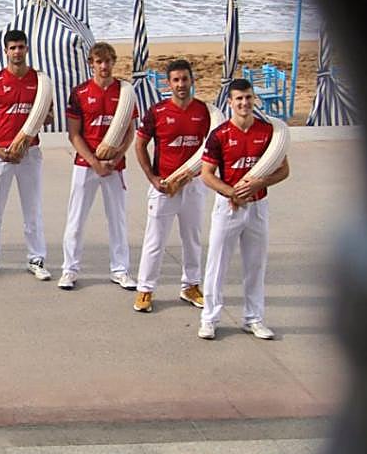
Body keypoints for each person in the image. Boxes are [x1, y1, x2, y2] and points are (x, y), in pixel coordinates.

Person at [197, 79, 290, 340]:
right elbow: (206, 174)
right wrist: (231, 192)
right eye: (239, 99)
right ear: (230, 102)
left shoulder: (267, 131)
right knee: (217, 264)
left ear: (254, 99)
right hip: (228, 208)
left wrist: (262, 181)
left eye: (248, 98)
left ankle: (254, 318)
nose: (244, 103)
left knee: (255, 264)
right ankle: (210, 319)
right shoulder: (219, 135)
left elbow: (284, 169)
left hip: (258, 206)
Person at [0, 29, 52, 282]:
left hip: (30, 154)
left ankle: (36, 259)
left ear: (27, 49)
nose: (17, 52)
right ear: (5, 51)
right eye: (12, 47)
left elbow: (47, 116)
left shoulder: (40, 82)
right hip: (1, 155)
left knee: (32, 209)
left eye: (21, 47)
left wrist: (28, 134)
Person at [131, 59, 212, 313]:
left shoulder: (204, 111)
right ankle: (145, 289)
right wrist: (152, 179)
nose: (180, 84)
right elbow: (140, 145)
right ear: (168, 83)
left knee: (193, 238)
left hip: (194, 186)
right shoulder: (157, 112)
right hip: (164, 187)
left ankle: (190, 286)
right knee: (155, 240)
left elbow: (212, 148)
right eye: (175, 80)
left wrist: (198, 174)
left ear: (191, 80)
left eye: (184, 79)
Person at [59, 42, 138, 290]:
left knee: (117, 219)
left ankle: (121, 270)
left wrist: (115, 159)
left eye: (108, 61)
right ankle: (69, 269)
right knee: (76, 218)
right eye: (99, 61)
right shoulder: (80, 92)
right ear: (90, 64)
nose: (104, 66)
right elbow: (74, 134)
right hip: (85, 164)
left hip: (115, 166)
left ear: (114, 62)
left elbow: (129, 132)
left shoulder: (124, 93)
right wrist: (94, 162)